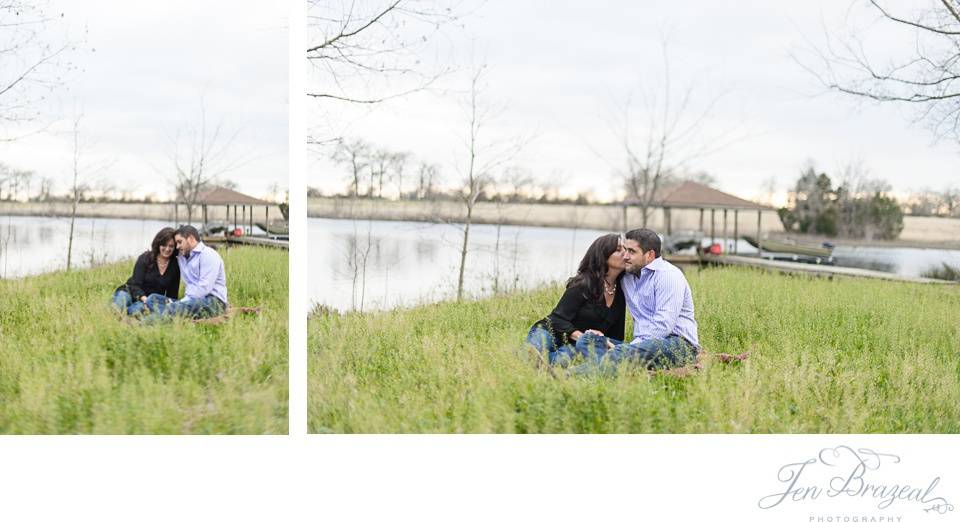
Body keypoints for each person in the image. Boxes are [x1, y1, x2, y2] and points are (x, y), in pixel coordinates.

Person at [578, 228, 700, 371]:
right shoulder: (628, 275)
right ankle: (615, 367)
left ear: (649, 255)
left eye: (632, 251)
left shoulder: (668, 276)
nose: (625, 256)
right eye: (624, 250)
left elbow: (662, 326)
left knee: (622, 353)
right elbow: (603, 270)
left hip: (677, 345)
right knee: (588, 340)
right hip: (643, 345)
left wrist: (629, 347)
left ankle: (574, 375)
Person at [526, 233, 626, 365]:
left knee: (560, 361)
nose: (626, 254)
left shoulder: (622, 292)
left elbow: (616, 337)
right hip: (550, 331)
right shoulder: (583, 283)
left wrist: (600, 340)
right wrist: (583, 336)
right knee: (534, 351)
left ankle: (546, 366)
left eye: (627, 249)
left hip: (577, 344)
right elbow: (556, 319)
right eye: (619, 250)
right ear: (603, 255)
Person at [145, 225, 228, 319]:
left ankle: (146, 324)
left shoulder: (208, 255)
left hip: (214, 302)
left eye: (180, 242)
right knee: (152, 299)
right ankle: (169, 315)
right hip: (190, 301)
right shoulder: (182, 257)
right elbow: (165, 251)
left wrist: (182, 302)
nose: (177, 246)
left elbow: (204, 289)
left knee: (176, 307)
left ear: (191, 239)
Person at [112, 227, 181, 315]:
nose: (167, 249)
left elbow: (172, 295)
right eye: (164, 245)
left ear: (175, 247)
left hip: (148, 301)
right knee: (118, 306)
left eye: (171, 246)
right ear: (158, 244)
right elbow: (134, 284)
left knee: (134, 312)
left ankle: (128, 317)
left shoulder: (175, 266)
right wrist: (145, 299)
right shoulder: (145, 258)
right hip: (130, 292)